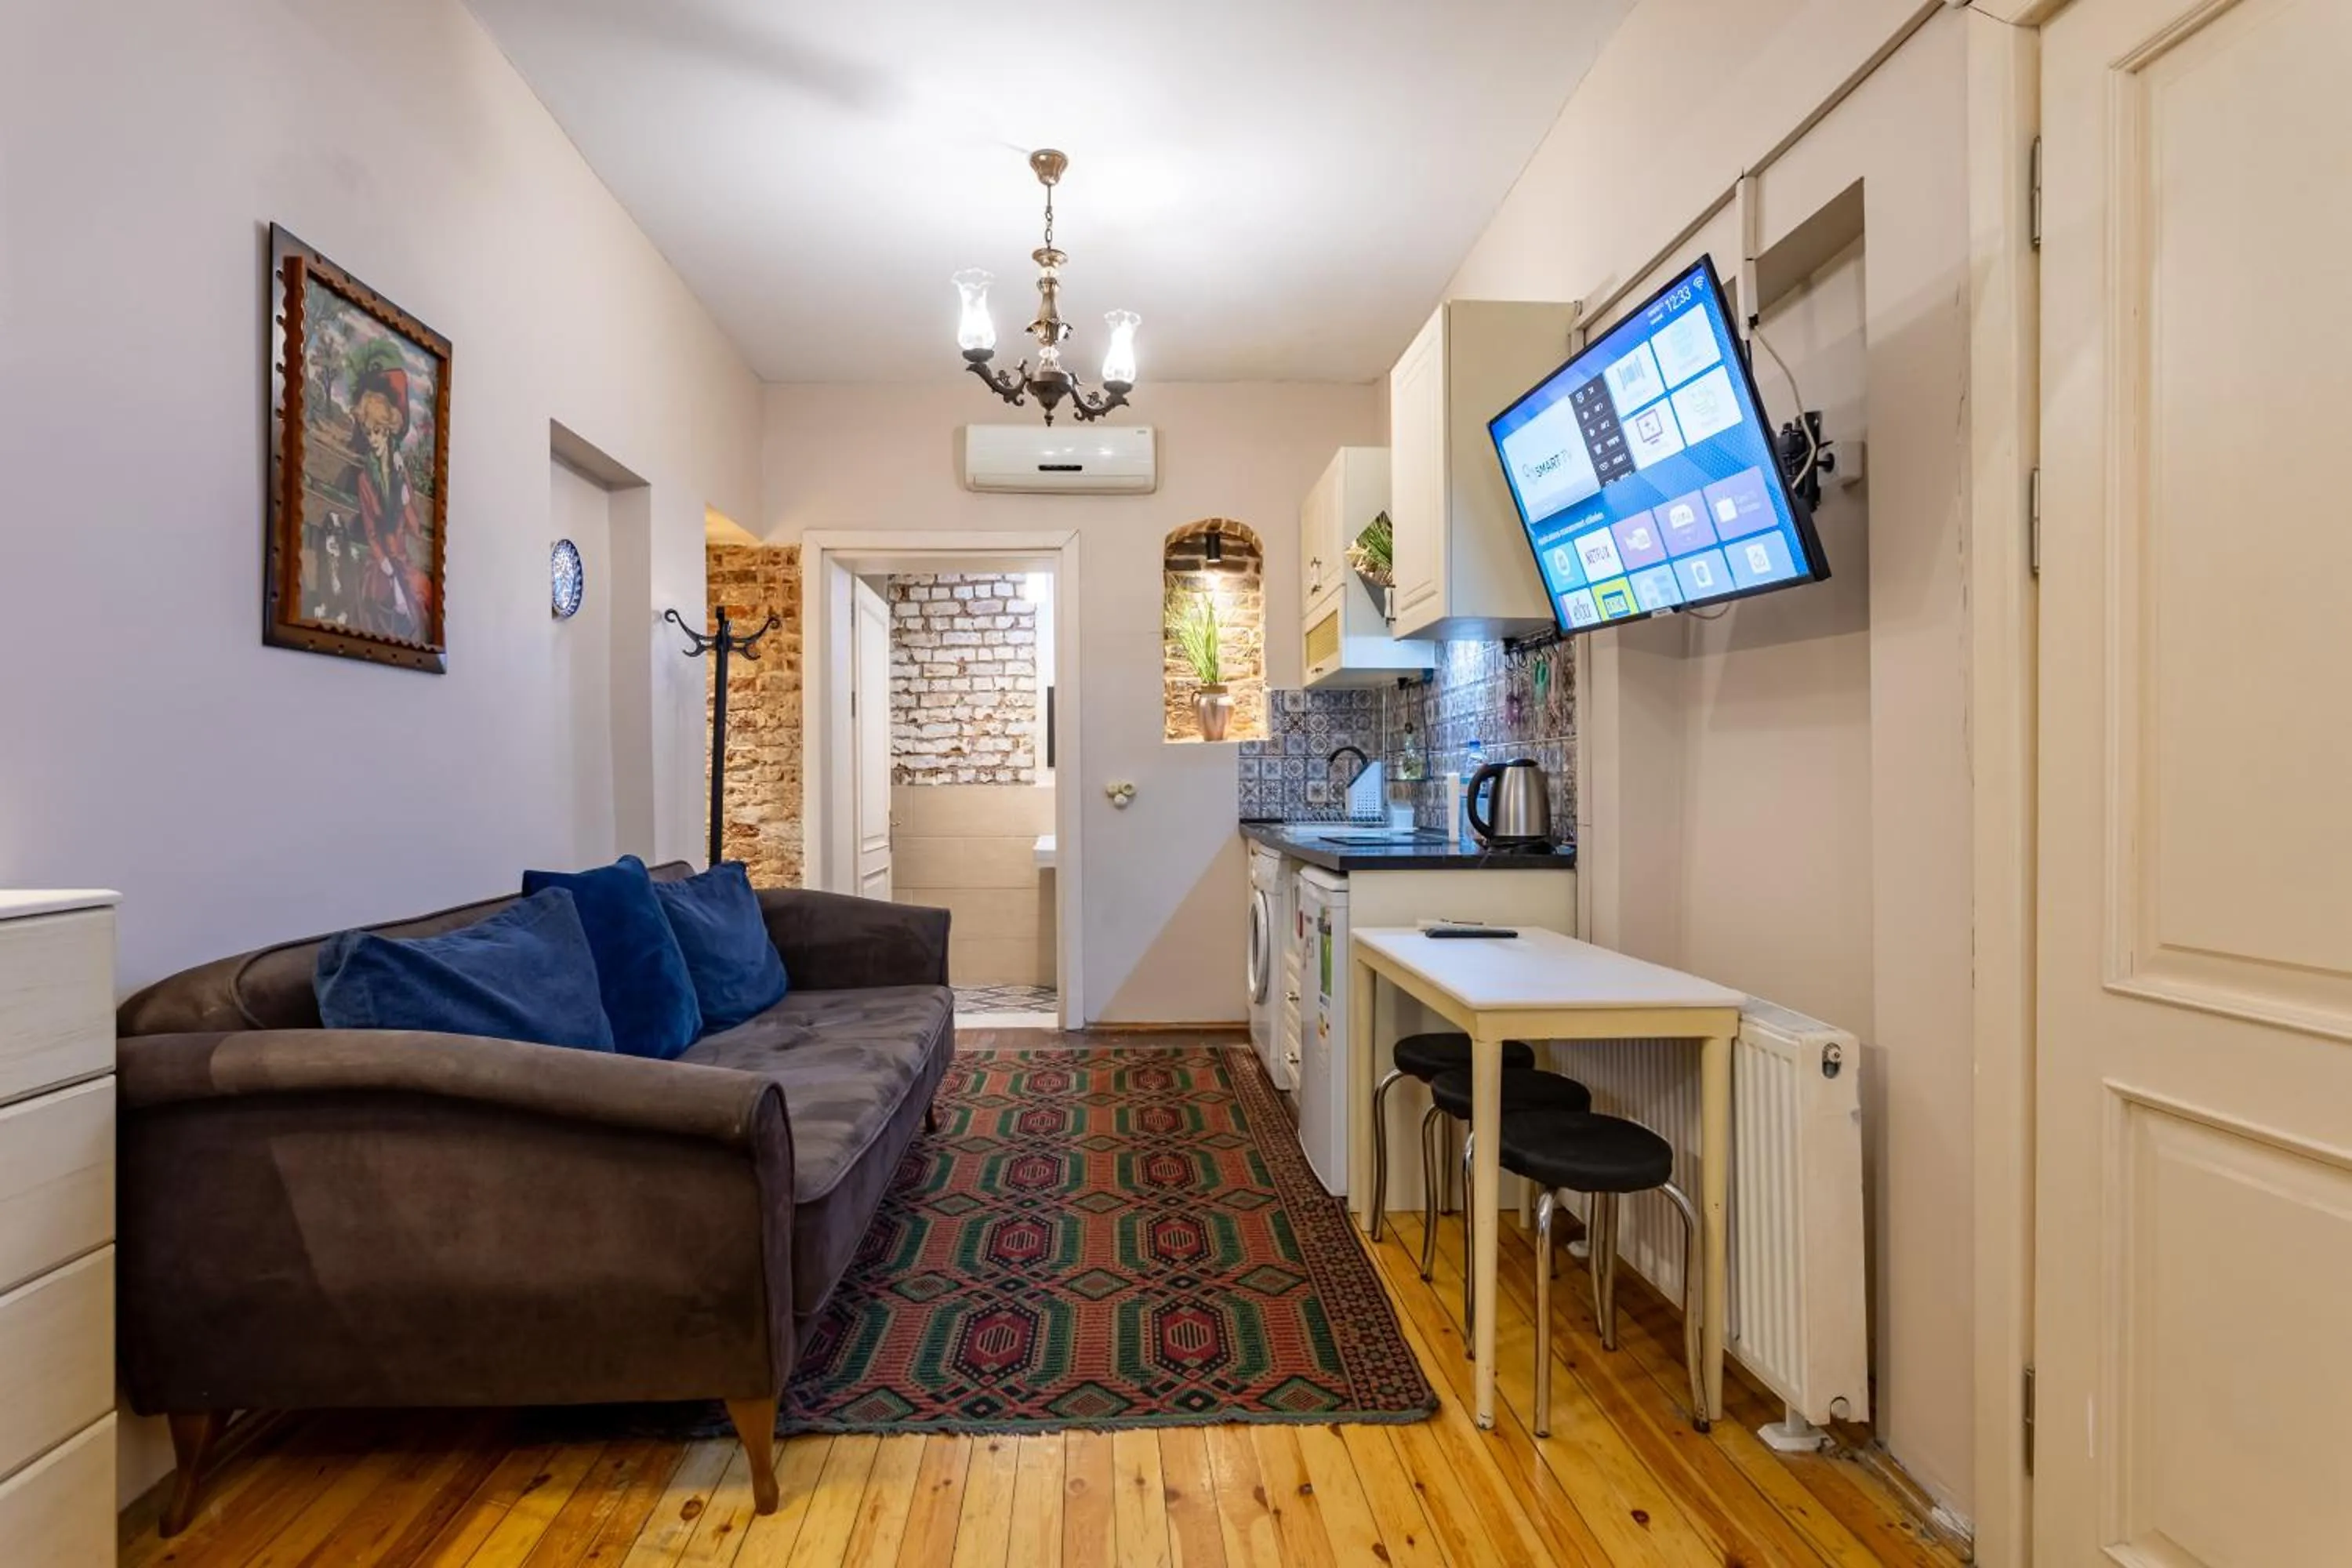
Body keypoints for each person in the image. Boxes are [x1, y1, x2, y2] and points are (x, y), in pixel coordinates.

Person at [334, 343, 435, 642]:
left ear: (388, 432)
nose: (373, 440)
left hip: (403, 560)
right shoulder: (366, 479)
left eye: (377, 432)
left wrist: (406, 500)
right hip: (381, 563)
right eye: (368, 433)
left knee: (423, 594)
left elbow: (415, 527)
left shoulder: (400, 472)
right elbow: (371, 533)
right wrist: (387, 566)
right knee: (396, 599)